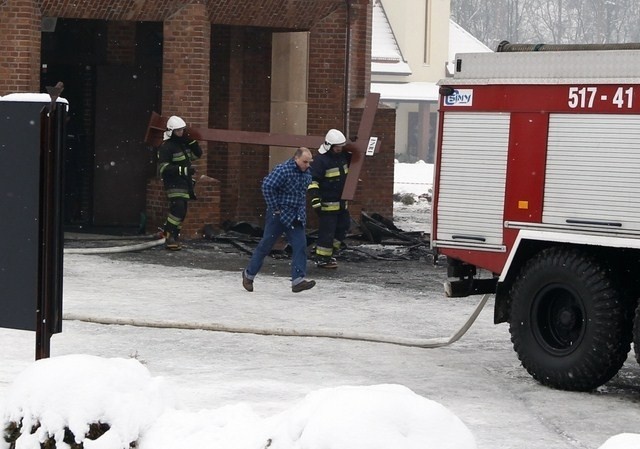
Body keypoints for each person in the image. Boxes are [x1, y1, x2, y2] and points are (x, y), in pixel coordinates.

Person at [242, 147, 316, 293]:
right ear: (296, 159)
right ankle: (249, 274)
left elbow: (301, 195)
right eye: (305, 162)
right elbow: (267, 186)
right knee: (265, 245)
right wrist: (275, 207)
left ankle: (298, 280)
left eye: (309, 162)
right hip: (278, 215)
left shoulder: (306, 173)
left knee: (300, 246)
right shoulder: (283, 170)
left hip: (296, 216)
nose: (307, 165)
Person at [157, 115, 203, 250]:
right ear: (171, 131)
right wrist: (183, 170)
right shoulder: (166, 147)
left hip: (185, 183)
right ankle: (169, 236)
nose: (180, 133)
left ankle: (173, 236)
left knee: (182, 212)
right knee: (178, 209)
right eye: (177, 131)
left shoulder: (182, 145)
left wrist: (193, 144)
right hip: (173, 183)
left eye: (182, 130)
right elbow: (163, 168)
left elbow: (195, 156)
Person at [308, 128, 350, 269]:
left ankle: (330, 252)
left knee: (343, 227)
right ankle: (322, 258)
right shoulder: (321, 161)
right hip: (327, 204)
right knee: (327, 232)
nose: (339, 149)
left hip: (341, 203)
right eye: (337, 147)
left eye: (341, 147)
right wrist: (315, 199)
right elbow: (312, 181)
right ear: (329, 145)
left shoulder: (342, 157)